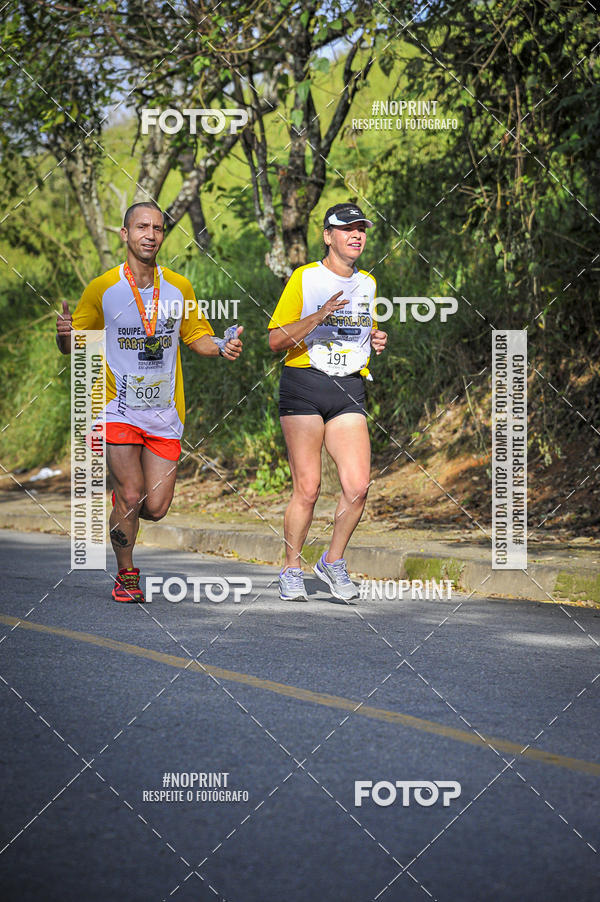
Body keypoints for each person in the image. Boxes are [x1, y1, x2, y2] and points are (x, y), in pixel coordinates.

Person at [56, 201, 243, 603]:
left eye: (157, 228)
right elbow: (75, 345)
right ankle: (127, 575)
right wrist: (64, 334)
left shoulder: (179, 287)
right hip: (116, 406)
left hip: (164, 412)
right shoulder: (102, 289)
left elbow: (197, 338)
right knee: (130, 491)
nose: (150, 235)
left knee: (154, 507)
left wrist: (222, 346)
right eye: (141, 227)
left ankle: (124, 506)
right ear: (125, 234)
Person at [268, 202, 387, 602]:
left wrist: (374, 339)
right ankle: (290, 567)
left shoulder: (368, 283)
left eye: (361, 229)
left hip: (348, 389)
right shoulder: (305, 278)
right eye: (347, 229)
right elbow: (275, 340)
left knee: (357, 487)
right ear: (327, 235)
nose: (357, 235)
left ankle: (332, 561)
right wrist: (318, 316)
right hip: (304, 384)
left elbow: (359, 330)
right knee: (309, 487)